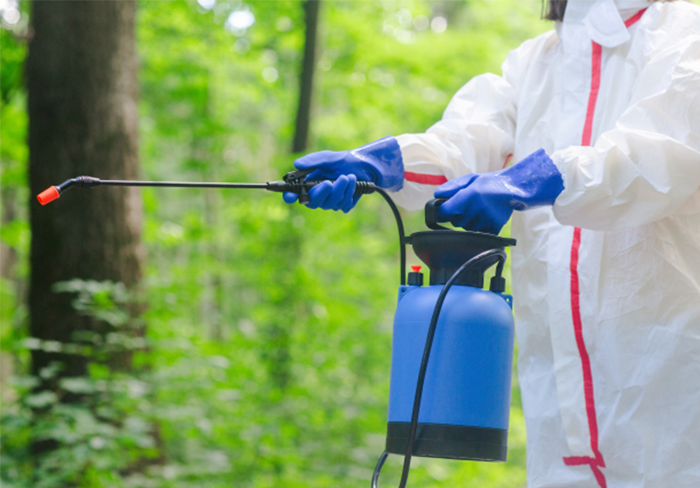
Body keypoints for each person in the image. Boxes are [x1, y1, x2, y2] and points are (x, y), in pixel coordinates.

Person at [284, 0, 700, 486]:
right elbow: (463, 145)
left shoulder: (684, 33)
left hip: (673, 396)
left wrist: (532, 178)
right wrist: (378, 164)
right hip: (559, 419)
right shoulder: (533, 65)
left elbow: (661, 154)